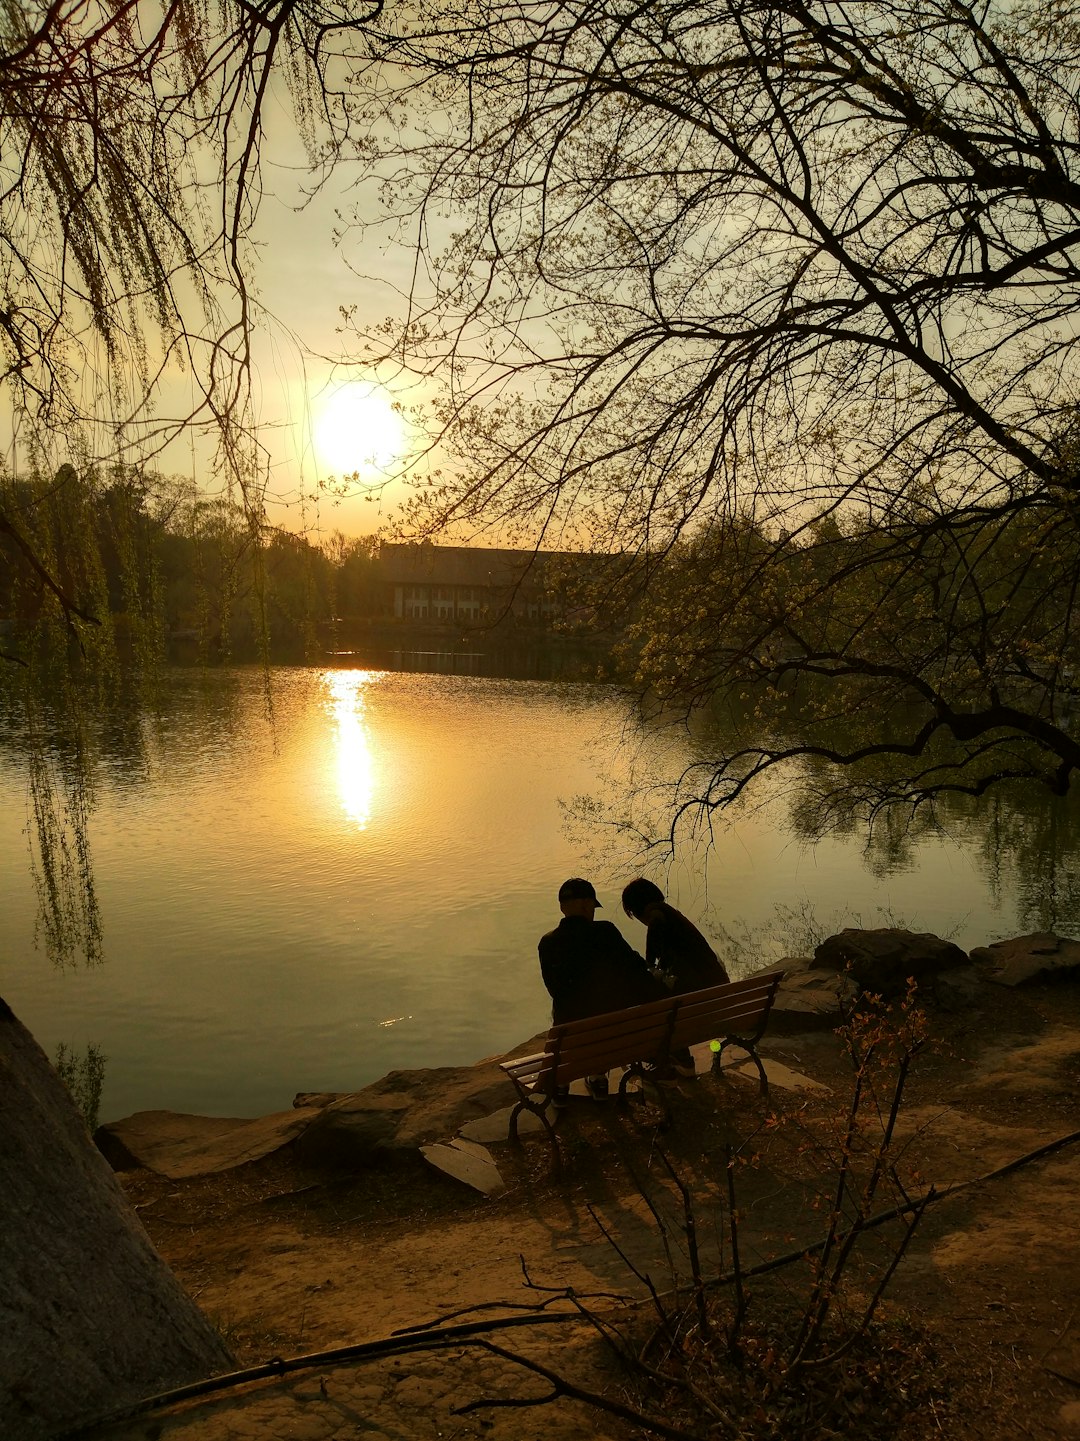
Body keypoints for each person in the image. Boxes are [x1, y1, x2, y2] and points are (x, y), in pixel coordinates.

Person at [538, 876, 666, 1099]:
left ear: (562, 907)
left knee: (566, 1004)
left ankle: (561, 1081)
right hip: (618, 1037)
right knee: (603, 1003)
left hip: (571, 1036)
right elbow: (636, 969)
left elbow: (555, 990)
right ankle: (597, 1076)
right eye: (592, 906)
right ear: (586, 904)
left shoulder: (548, 943)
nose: (593, 912)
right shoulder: (606, 932)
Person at [621, 877, 730, 995]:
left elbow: (653, 957)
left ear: (636, 909)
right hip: (718, 985)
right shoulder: (672, 916)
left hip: (704, 992)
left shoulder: (657, 915)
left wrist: (649, 966)